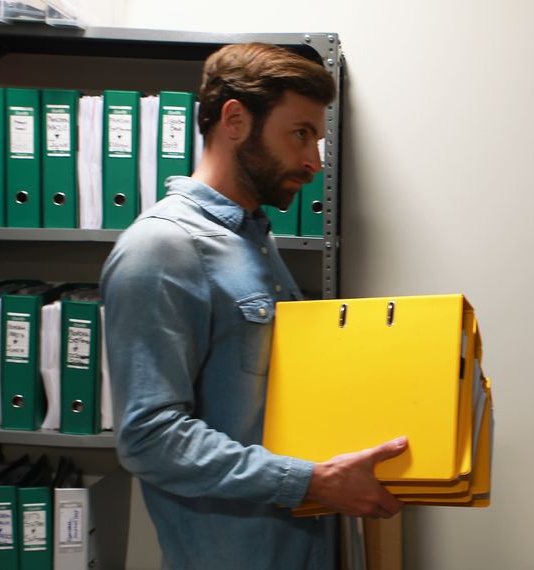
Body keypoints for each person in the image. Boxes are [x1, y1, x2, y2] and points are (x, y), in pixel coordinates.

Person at [101, 43, 407, 569]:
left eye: (317, 138)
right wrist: (311, 481)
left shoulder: (253, 240)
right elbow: (149, 439)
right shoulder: (163, 249)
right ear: (235, 120)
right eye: (301, 133)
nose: (313, 161)